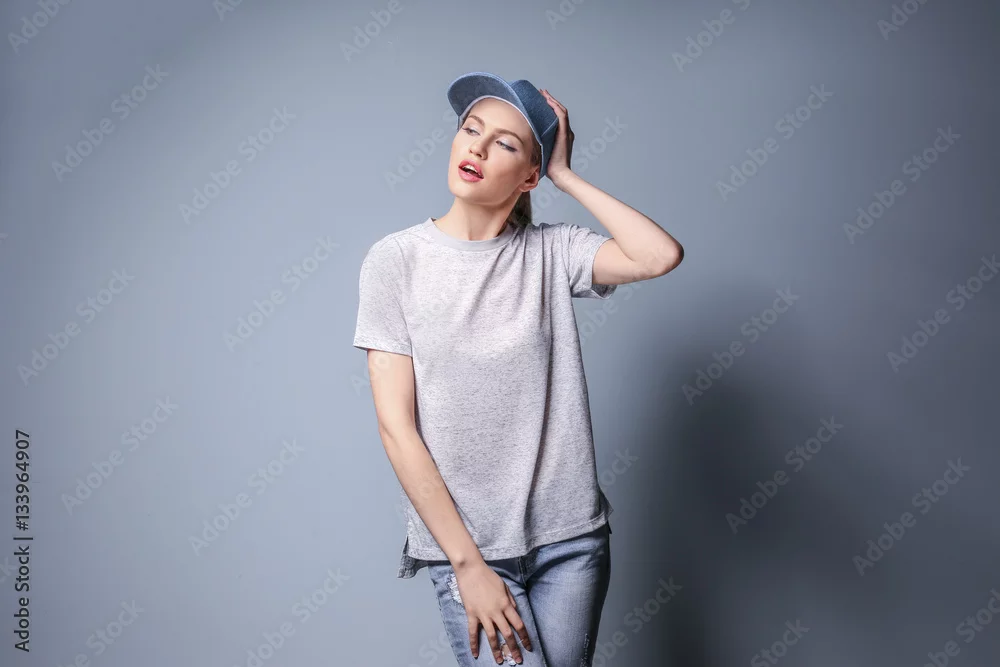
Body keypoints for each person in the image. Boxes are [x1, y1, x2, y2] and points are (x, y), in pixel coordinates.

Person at [353, 71, 683, 666]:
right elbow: (396, 428)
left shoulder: (553, 251)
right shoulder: (395, 261)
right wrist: (467, 566)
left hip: (571, 541)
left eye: (504, 143)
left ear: (530, 175)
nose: (477, 148)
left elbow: (659, 255)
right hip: (469, 548)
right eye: (470, 130)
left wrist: (566, 176)